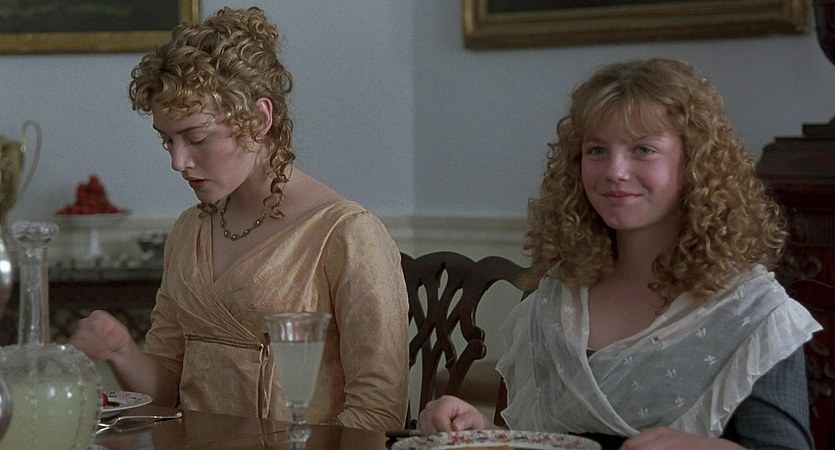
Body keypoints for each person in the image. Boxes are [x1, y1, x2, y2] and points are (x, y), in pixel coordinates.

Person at [417, 58, 821, 449]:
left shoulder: (753, 313)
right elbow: (541, 443)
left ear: (696, 164)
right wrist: (478, 432)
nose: (615, 171)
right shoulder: (556, 298)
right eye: (597, 150)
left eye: (642, 149)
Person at [69, 6, 409, 432]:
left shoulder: (347, 234)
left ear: (260, 120)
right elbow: (165, 393)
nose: (178, 161)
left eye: (196, 137)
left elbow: (378, 412)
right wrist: (121, 349)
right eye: (167, 141)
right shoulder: (190, 231)